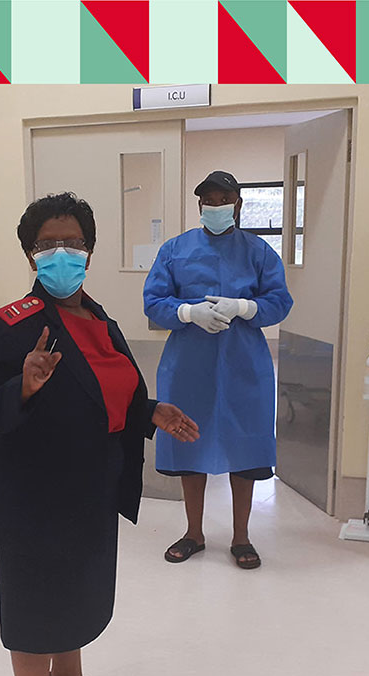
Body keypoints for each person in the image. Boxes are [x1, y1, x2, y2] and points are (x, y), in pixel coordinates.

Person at [0, 193, 198, 676]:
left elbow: (112, 395)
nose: (61, 252)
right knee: (35, 596)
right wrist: (23, 385)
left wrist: (150, 412)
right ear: (31, 254)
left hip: (91, 486)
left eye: (72, 242)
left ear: (89, 251)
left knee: (78, 590)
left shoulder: (100, 319)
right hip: (35, 492)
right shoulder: (14, 326)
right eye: (48, 244)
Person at [143, 171, 294, 569]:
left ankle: (241, 537)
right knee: (189, 443)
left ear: (238, 204)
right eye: (208, 200)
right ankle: (194, 532)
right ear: (199, 207)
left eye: (222, 198)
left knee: (244, 447)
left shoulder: (259, 252)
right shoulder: (175, 250)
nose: (215, 206)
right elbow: (154, 301)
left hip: (244, 366)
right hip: (188, 367)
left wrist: (244, 307)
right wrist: (187, 312)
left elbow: (279, 301)